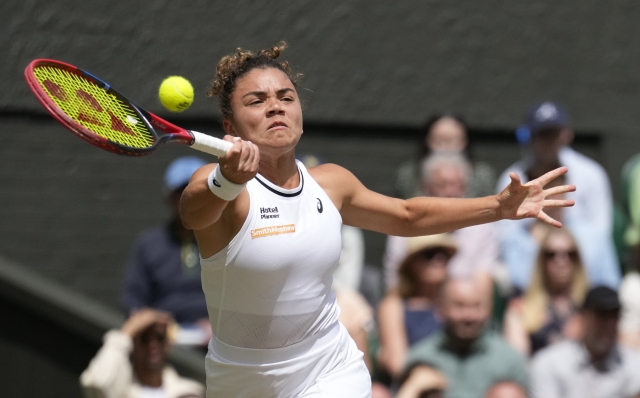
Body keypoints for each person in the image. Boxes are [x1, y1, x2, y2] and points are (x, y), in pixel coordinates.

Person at [179, 42, 574, 397]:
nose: (275, 106)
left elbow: (407, 215)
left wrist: (498, 207)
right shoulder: (222, 189)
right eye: (256, 101)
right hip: (242, 379)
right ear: (230, 127)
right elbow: (192, 211)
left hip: (328, 365)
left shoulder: (332, 184)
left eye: (286, 96)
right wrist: (226, 180)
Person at [496, 101, 620, 290]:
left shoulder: (592, 174)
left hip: (585, 282)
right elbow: (505, 243)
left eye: (553, 133)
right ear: (529, 136)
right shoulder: (510, 178)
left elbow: (600, 236)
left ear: (565, 134)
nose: (549, 141)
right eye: (542, 134)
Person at [121, 157, 209, 343]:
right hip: (163, 343)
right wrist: (155, 323)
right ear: (169, 198)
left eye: (196, 192)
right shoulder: (150, 244)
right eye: (181, 194)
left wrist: (221, 327)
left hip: (220, 342)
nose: (189, 200)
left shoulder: (228, 241)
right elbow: (132, 300)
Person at [385, 152, 500, 290]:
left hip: (464, 307)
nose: (449, 192)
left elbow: (484, 279)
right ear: (425, 187)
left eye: (455, 184)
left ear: (465, 188)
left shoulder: (482, 228)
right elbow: (394, 281)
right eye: (442, 185)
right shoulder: (404, 223)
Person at [404, 279, 529, 398]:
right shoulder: (420, 358)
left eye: (476, 306)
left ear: (488, 309)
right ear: (440, 309)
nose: (469, 316)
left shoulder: (510, 360)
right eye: (460, 306)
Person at [530, 286, 640, 398]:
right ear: (583, 316)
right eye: (602, 315)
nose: (610, 324)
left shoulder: (632, 364)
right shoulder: (550, 363)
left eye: (615, 315)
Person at [377, 234, 455, 379]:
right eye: (429, 254)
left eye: (444, 255)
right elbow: (397, 362)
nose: (439, 260)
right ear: (412, 264)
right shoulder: (393, 305)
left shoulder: (456, 302)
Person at [80, 309, 205, 398]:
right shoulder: (120, 391)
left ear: (167, 344)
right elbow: (96, 383)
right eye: (144, 339)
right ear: (133, 345)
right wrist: (126, 333)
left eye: (159, 337)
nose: (153, 345)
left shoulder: (188, 391)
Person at [503, 226, 588, 356]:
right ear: (541, 260)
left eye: (569, 254)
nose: (561, 261)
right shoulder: (521, 305)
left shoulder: (590, 305)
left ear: (578, 259)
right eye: (552, 254)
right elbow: (517, 360)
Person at [395, 113, 496, 199]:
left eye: (453, 140)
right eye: (439, 140)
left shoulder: (482, 173)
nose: (445, 147)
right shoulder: (409, 173)